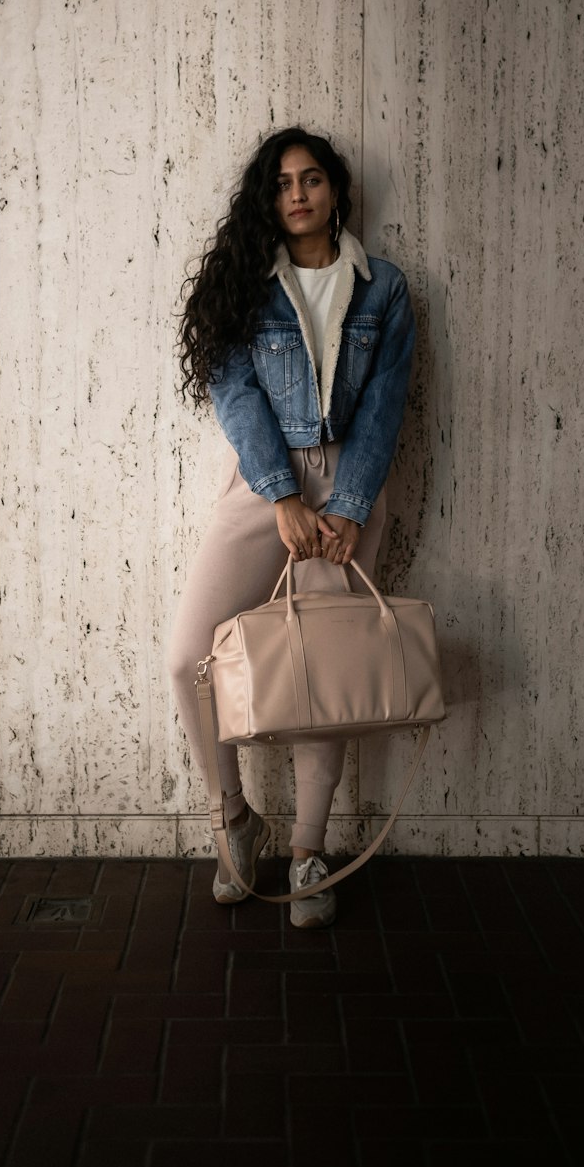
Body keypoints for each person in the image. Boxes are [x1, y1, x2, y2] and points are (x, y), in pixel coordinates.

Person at [169, 127, 415, 927]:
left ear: (336, 189)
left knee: (323, 669)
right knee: (187, 657)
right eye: (282, 184)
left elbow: (385, 406)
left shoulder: (385, 289)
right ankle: (234, 821)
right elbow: (236, 393)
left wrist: (345, 504)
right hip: (263, 484)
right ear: (267, 200)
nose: (298, 194)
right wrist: (281, 494)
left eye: (311, 179)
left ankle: (309, 848)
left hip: (349, 484)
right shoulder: (248, 285)